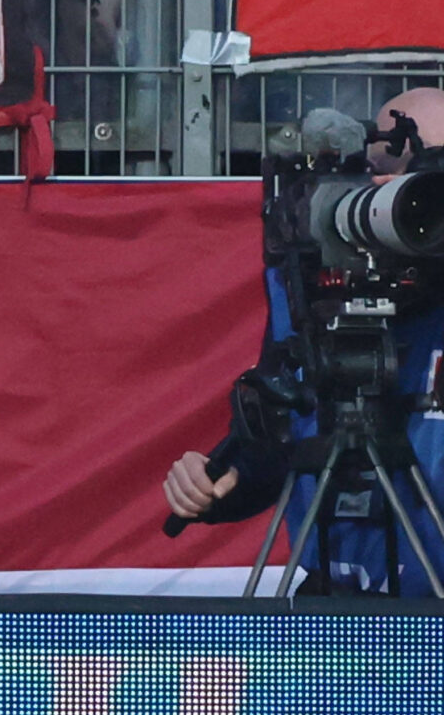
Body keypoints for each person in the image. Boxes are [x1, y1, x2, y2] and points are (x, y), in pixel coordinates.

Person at [163, 88, 444, 593]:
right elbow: (277, 445)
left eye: (423, 177)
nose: (386, 193)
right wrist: (218, 482)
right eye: (375, 168)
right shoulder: (318, 290)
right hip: (333, 619)